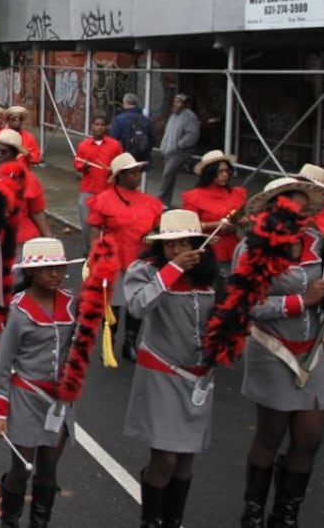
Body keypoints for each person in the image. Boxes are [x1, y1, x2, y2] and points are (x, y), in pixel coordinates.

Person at [236, 177, 324, 528]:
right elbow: (246, 304)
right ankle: (254, 509)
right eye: (291, 202)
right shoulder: (251, 249)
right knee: (271, 433)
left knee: (310, 436)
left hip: (312, 353)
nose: (299, 209)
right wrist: (300, 302)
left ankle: (286, 512)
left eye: (302, 203)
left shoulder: (320, 245)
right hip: (271, 348)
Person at [123, 211, 218, 528]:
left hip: (199, 380)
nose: (178, 250)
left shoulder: (211, 277)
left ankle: (172, 520)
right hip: (161, 374)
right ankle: (149, 521)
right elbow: (137, 306)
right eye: (170, 245)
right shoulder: (146, 271)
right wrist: (173, 271)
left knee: (185, 461)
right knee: (164, 458)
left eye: (184, 244)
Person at [0, 237, 85, 528]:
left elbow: (84, 340)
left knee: (48, 470)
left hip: (59, 401)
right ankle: (10, 519)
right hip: (26, 397)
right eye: (47, 269)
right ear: (30, 272)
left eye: (59, 268)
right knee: (21, 468)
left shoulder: (73, 303)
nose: (55, 274)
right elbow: (3, 365)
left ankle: (40, 523)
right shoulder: (19, 311)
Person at [87, 152, 164, 362]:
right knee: (114, 305)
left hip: (141, 261)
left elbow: (159, 228)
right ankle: (109, 342)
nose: (136, 177)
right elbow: (95, 230)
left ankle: (130, 342)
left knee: (136, 304)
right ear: (119, 176)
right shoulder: (104, 199)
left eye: (138, 172)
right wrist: (95, 258)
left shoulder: (150, 202)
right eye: (130, 173)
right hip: (114, 260)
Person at [180, 150, 247, 293]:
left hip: (232, 248)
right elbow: (186, 225)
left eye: (227, 171)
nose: (225, 175)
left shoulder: (237, 193)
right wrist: (214, 225)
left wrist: (242, 221)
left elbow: (242, 217)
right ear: (210, 173)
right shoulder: (194, 196)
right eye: (220, 171)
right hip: (208, 250)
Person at [73, 115, 124, 253]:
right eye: (96, 124)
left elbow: (121, 164)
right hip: (88, 190)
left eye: (102, 124)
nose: (99, 127)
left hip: (108, 191)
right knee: (87, 224)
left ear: (106, 127)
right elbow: (77, 163)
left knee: (109, 224)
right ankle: (89, 253)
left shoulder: (115, 145)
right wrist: (83, 166)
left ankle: (106, 252)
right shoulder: (83, 145)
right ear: (92, 126)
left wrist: (113, 170)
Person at [157, 94, 200, 206]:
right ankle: (165, 202)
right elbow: (168, 132)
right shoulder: (173, 115)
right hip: (169, 150)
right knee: (168, 177)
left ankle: (160, 200)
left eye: (179, 102)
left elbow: (193, 134)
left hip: (179, 152)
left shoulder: (189, 116)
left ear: (185, 104)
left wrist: (180, 144)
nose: (175, 104)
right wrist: (164, 145)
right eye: (175, 101)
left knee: (167, 175)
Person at [110, 93, 155, 164]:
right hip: (141, 157)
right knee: (137, 174)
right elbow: (152, 139)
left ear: (125, 103)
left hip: (124, 156)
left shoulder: (119, 119)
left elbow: (113, 140)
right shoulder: (146, 120)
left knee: (125, 174)